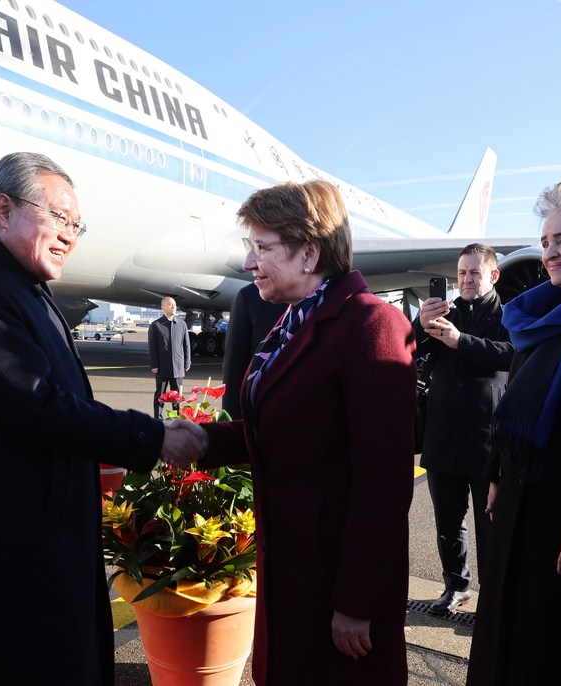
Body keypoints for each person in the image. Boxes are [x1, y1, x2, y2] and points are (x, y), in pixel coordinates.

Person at [0, 152, 202, 685]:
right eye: (61, 219)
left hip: (42, 546)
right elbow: (38, 406)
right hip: (4, 563)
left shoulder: (19, 287)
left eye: (78, 225)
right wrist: (155, 436)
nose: (71, 235)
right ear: (3, 209)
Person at [184, 180, 417, 684]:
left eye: (262, 248)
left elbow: (384, 481)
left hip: (333, 583)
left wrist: (357, 600)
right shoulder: (293, 320)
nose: (249, 263)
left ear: (309, 252)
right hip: (290, 569)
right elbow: (290, 428)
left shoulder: (371, 325)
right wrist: (205, 440)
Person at [466, 180, 561, 686]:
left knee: (548, 645)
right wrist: (497, 472)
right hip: (518, 503)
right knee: (502, 629)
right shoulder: (535, 317)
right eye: (546, 241)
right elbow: (511, 405)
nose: (549, 252)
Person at [414, 244, 514, 615]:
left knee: (490, 526)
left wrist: (462, 341)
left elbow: (510, 355)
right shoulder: (445, 311)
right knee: (447, 522)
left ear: (493, 276)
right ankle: (456, 585)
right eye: (461, 274)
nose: (466, 280)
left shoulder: (508, 314)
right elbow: (409, 349)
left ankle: (492, 594)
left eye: (474, 273)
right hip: (442, 435)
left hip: (486, 439)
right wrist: (419, 325)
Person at [221, 282, 286, 419]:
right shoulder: (250, 297)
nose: (248, 265)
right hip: (268, 417)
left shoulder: (337, 295)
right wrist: (233, 427)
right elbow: (235, 368)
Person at [148, 296, 191, 418]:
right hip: (162, 367)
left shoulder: (182, 324)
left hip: (178, 367)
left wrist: (187, 362)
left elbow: (186, 345)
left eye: (175, 305)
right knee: (160, 395)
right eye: (170, 304)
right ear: (163, 307)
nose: (173, 307)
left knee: (176, 396)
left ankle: (176, 418)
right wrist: (154, 364)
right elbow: (152, 347)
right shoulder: (156, 325)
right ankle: (158, 419)